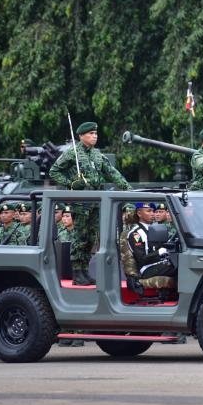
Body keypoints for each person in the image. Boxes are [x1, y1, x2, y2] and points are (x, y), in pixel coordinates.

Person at [49, 121, 130, 285]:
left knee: (91, 238)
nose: (94, 136)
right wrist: (71, 184)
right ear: (81, 136)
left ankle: (84, 271)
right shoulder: (73, 153)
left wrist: (127, 189)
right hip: (81, 203)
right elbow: (54, 171)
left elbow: (112, 173)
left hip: (96, 201)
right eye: (91, 134)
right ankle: (77, 273)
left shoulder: (97, 154)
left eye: (96, 134)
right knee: (80, 237)